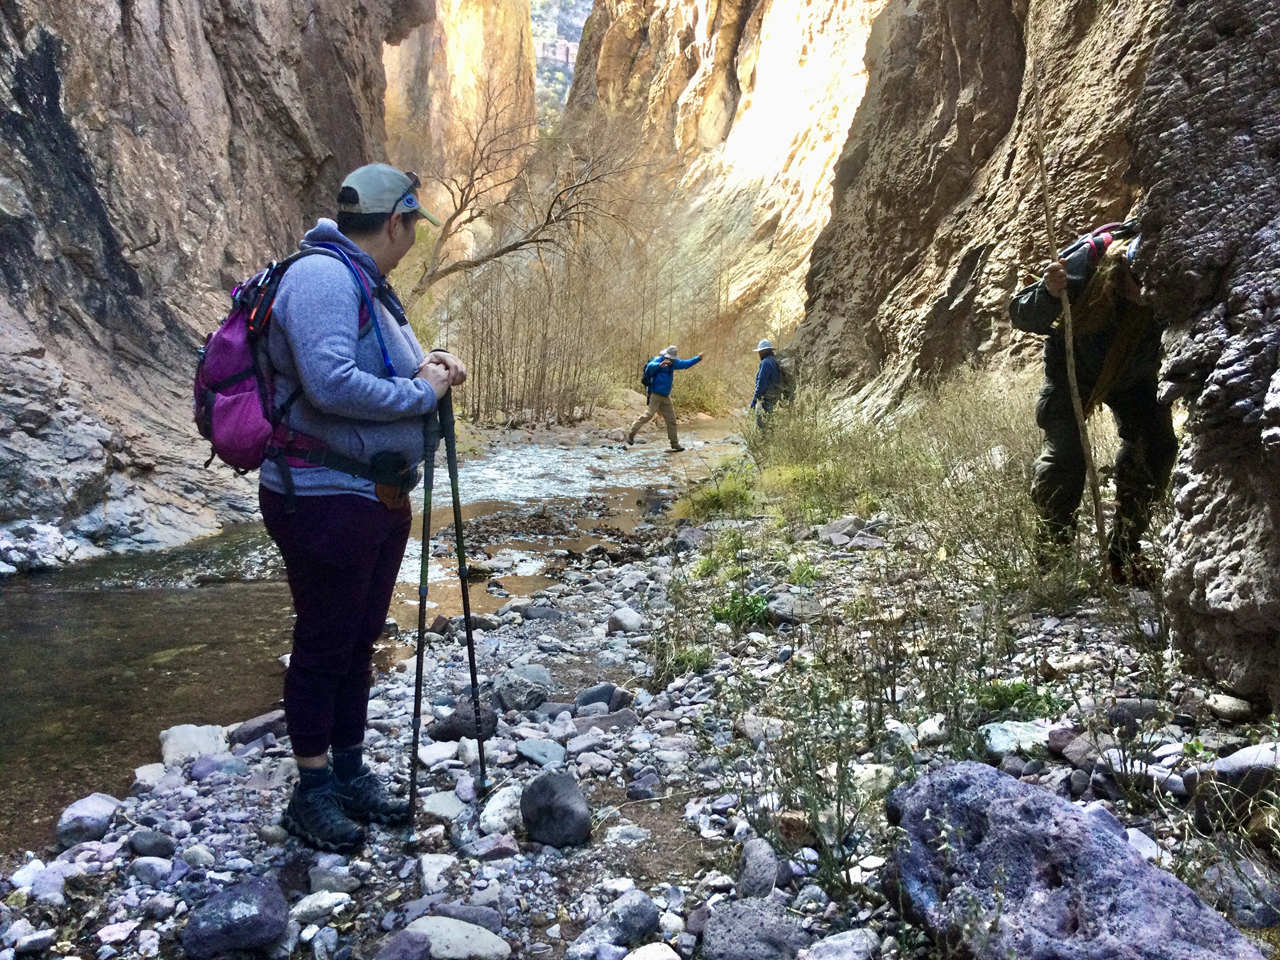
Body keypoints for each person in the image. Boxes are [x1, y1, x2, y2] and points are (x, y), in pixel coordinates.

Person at [259, 163, 467, 852]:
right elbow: (329, 383)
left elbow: (375, 369)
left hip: (368, 494)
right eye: (412, 226)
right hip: (324, 495)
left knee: (356, 640)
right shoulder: (322, 278)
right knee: (324, 643)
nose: (412, 240)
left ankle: (346, 772)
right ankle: (311, 791)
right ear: (396, 221)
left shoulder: (361, 280)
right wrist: (420, 397)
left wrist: (430, 366)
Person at [1009, 219, 1177, 584]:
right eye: (1139, 286)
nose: (1147, 295)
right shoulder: (1090, 259)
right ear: (1124, 269)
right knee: (1064, 459)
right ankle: (1053, 564)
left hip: (1134, 374)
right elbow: (1021, 312)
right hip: (1074, 373)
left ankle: (1123, 554)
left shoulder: (1172, 272)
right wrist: (1051, 294)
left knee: (1158, 446)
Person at [626, 345, 702, 451]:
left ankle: (674, 444)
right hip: (655, 394)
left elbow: (686, 364)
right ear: (665, 356)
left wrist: (698, 358)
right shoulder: (657, 360)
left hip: (666, 397)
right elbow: (649, 367)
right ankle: (631, 434)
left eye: (672, 359)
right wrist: (659, 366)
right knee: (648, 415)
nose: (671, 360)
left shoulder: (673, 363)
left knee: (671, 420)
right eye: (669, 358)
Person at [750, 339, 781, 427]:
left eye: (760, 352)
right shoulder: (774, 361)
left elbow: (761, 383)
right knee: (770, 425)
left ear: (764, 351)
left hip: (765, 400)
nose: (759, 354)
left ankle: (761, 441)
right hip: (774, 399)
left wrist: (754, 399)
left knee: (761, 427)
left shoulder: (765, 363)